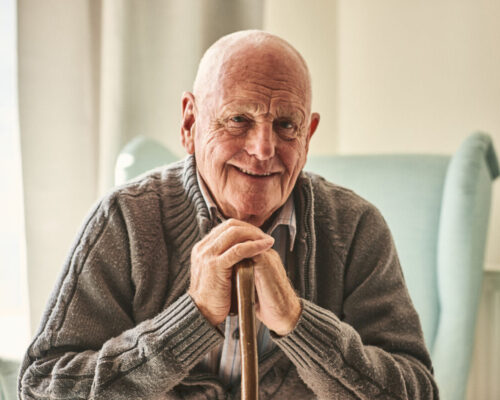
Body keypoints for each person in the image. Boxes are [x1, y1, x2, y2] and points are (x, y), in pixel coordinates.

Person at [18, 30, 438, 399]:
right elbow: (41, 388)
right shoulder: (125, 220)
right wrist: (191, 318)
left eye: (286, 126)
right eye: (239, 119)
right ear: (189, 123)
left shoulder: (357, 228)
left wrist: (297, 322)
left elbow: (417, 390)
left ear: (308, 136)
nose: (264, 149)